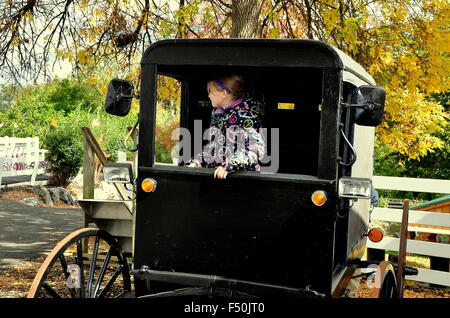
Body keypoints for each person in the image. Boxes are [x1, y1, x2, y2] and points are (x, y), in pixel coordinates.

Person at [187, 74, 265, 179]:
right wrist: (197, 162)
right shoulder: (217, 114)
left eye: (211, 91)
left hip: (243, 179)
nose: (208, 95)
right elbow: (213, 146)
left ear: (224, 93)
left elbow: (255, 149)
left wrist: (230, 165)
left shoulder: (248, 115)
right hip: (219, 176)